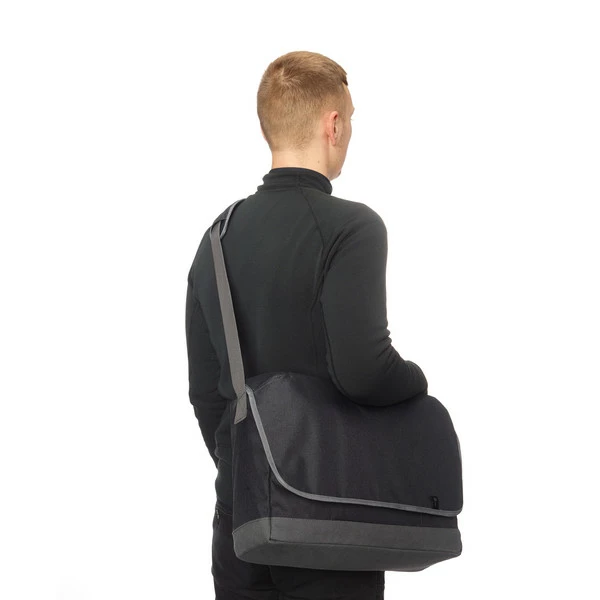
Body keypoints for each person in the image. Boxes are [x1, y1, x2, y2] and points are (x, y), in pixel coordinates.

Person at [185, 50, 428, 600]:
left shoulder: (216, 239)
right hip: (328, 518)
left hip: (242, 522)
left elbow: (206, 394)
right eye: (351, 120)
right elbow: (365, 371)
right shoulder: (352, 228)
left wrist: (254, 471)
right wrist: (417, 380)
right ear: (333, 125)